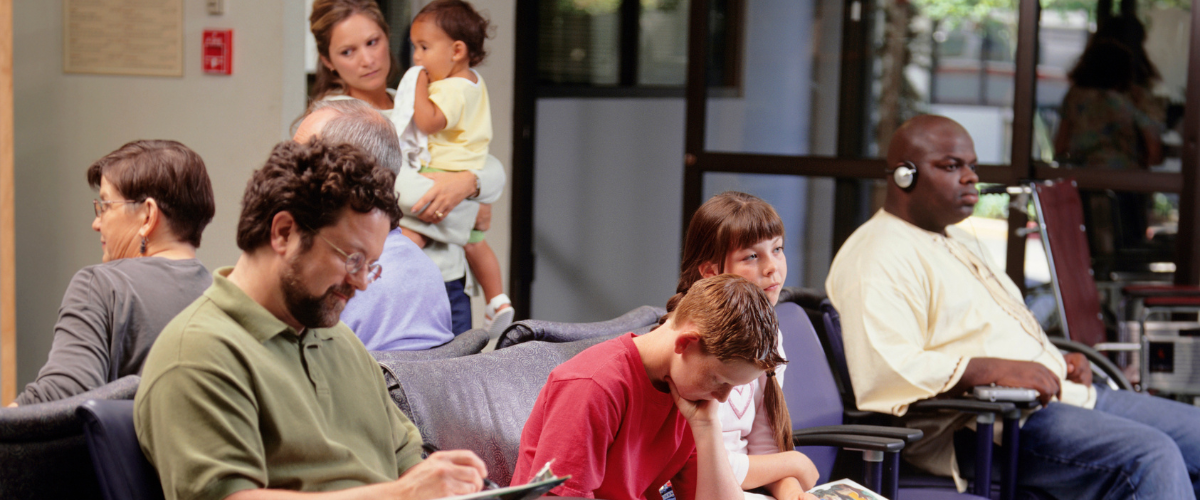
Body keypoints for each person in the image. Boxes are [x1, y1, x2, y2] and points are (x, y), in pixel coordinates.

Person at [826, 114, 1200, 498]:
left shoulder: (959, 240)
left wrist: (1056, 359)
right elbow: (886, 367)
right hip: (985, 425)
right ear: (904, 175)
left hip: (1058, 398)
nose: (971, 177)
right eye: (952, 166)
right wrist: (994, 369)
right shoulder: (877, 255)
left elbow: (990, 328)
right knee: (1151, 457)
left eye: (972, 165)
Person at [135, 139, 489, 499]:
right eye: (352, 259)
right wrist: (401, 495)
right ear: (284, 232)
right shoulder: (197, 352)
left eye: (371, 266)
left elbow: (408, 460)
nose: (362, 282)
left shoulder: (338, 339)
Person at [309, 0, 510, 335]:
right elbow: (406, 194)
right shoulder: (334, 119)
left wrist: (469, 182)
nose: (367, 59)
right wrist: (473, 208)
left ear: (388, 38)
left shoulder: (416, 104)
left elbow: (484, 163)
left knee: (455, 384)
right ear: (329, 62)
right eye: (348, 52)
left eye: (373, 42)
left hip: (448, 280)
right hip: (386, 289)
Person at [512, 274, 788, 500]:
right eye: (720, 380)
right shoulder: (593, 385)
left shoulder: (689, 395)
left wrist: (708, 427)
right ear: (686, 343)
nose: (722, 397)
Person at [10, 140, 214, 406]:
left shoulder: (101, 285)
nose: (96, 223)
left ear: (148, 216)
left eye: (105, 205)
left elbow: (62, 395)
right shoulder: (221, 297)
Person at [670, 192, 819, 500]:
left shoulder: (769, 333)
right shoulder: (690, 347)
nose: (771, 268)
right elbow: (691, 464)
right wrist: (793, 462)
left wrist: (791, 491)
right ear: (711, 271)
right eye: (752, 256)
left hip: (742, 486)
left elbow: (763, 439)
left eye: (777, 249)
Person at [295, 98, 454, 351]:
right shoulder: (425, 269)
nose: (288, 170)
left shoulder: (330, 282)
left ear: (341, 172)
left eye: (300, 158)